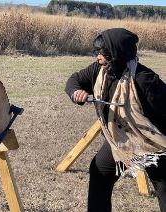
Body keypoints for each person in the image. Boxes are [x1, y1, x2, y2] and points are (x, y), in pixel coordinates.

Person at [65, 28, 166, 212]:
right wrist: (75, 92)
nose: (97, 57)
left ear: (116, 53)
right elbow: (75, 79)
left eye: (101, 53)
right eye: (96, 52)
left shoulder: (145, 80)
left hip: (153, 144)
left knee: (164, 188)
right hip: (119, 139)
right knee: (100, 173)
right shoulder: (100, 69)